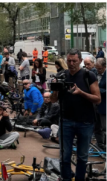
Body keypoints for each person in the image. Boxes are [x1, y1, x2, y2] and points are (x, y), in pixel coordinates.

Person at [50, 48, 101, 181]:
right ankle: (66, 178)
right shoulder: (61, 75)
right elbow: (53, 100)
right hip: (66, 121)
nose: (71, 63)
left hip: (85, 122)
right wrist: (55, 90)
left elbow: (98, 98)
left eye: (74, 61)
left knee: (82, 156)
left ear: (80, 61)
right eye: (69, 60)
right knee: (64, 155)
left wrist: (81, 93)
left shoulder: (88, 76)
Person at [95, 58, 106, 150]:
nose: (98, 70)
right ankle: (100, 144)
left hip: (103, 105)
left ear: (104, 67)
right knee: (97, 126)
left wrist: (97, 90)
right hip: (95, 105)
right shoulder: (95, 74)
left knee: (104, 127)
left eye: (100, 69)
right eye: (97, 68)